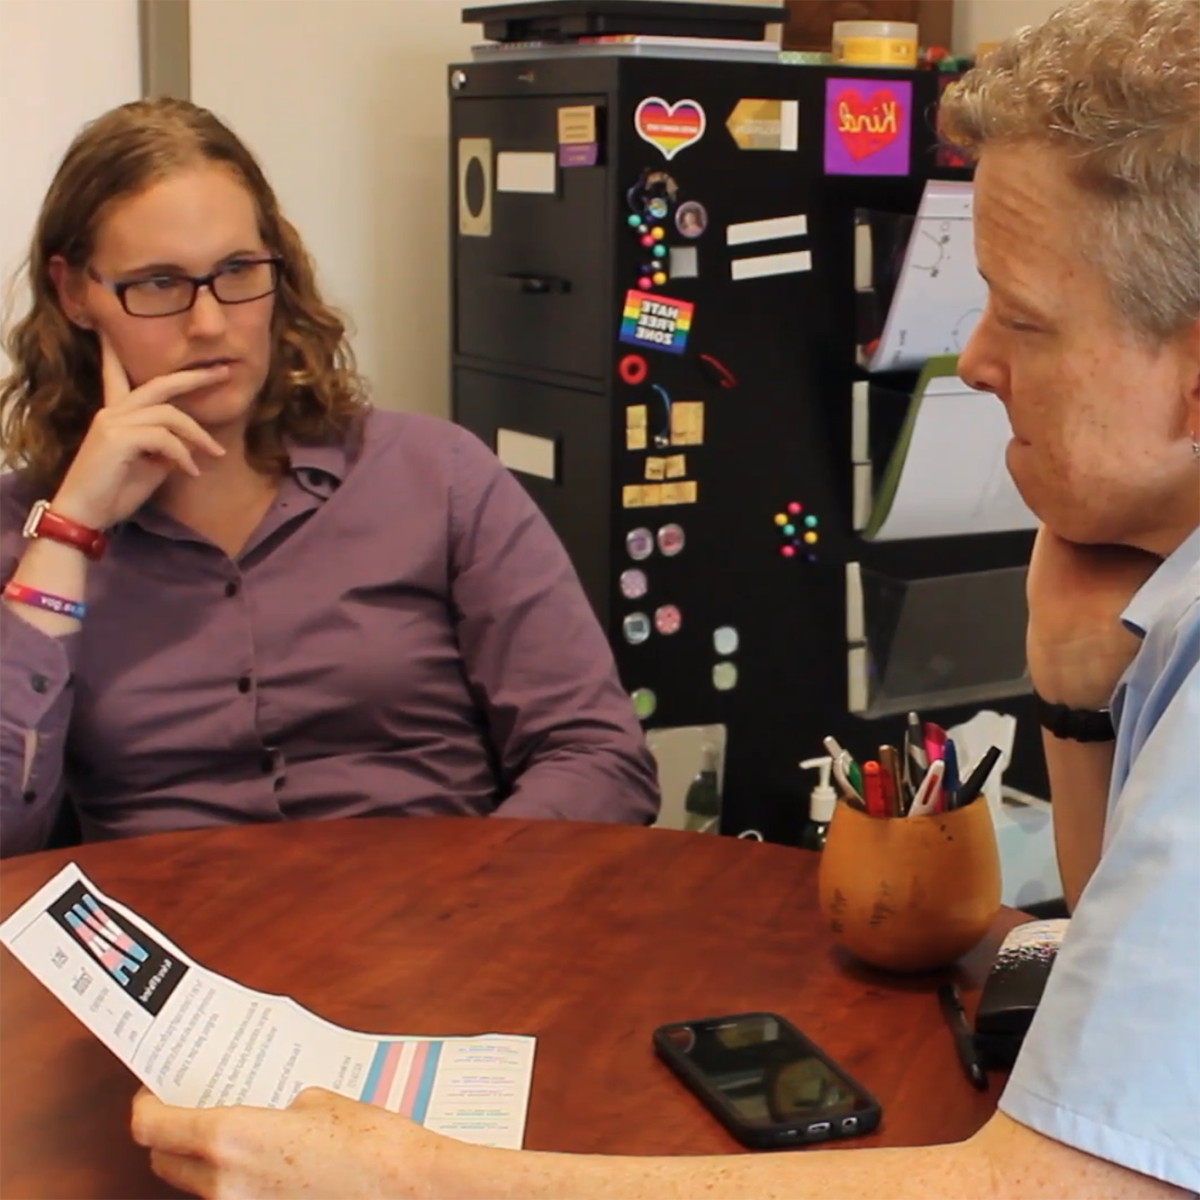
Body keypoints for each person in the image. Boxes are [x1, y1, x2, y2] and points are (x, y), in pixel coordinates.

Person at [131, 0, 1200, 1195]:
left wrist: (407, 1175)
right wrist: (1070, 688)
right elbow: (1117, 1033)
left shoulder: (428, 473)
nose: (977, 360)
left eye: (1022, 314)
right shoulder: (1159, 614)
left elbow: (1075, 1182)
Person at [0, 98, 660, 858]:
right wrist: (69, 532)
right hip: (176, 950)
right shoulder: (29, 532)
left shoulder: (436, 477)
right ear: (74, 292)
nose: (210, 323)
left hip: (439, 932)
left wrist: (477, 895)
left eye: (238, 271)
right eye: (157, 284)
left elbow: (599, 755)